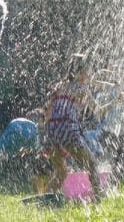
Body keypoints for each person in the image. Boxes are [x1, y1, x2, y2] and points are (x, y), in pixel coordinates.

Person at [42, 54, 102, 202]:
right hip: (67, 129)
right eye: (88, 71)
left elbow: (47, 111)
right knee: (92, 164)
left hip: (51, 131)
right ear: (79, 73)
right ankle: (98, 199)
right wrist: (116, 101)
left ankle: (45, 200)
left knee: (61, 172)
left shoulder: (59, 87)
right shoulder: (82, 88)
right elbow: (99, 111)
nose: (90, 75)